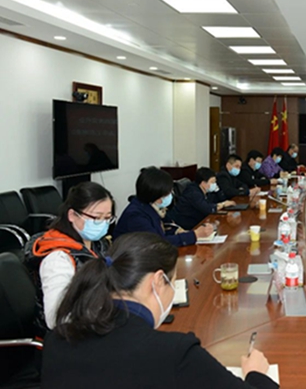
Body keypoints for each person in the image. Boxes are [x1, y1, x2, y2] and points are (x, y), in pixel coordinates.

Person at [42, 233, 278, 389]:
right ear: (157, 281)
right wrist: (257, 374)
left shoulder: (57, 340)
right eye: (173, 282)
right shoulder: (174, 353)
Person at [24, 182, 113, 330]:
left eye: (107, 218)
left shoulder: (98, 244)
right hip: (71, 333)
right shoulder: (58, 258)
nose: (102, 224)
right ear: (72, 215)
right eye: (96, 218)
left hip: (98, 320)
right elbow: (57, 318)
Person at [113, 167, 214, 247]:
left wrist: (178, 231)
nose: (171, 195)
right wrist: (194, 235)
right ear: (158, 196)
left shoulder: (151, 206)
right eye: (169, 192)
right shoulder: (136, 216)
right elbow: (158, 243)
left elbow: (164, 227)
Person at [166, 167, 235, 230]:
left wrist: (218, 190)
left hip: (195, 221)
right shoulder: (193, 192)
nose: (215, 184)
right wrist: (223, 204)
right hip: (181, 225)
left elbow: (218, 201)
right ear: (203, 183)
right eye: (212, 182)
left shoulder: (206, 191)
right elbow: (208, 209)